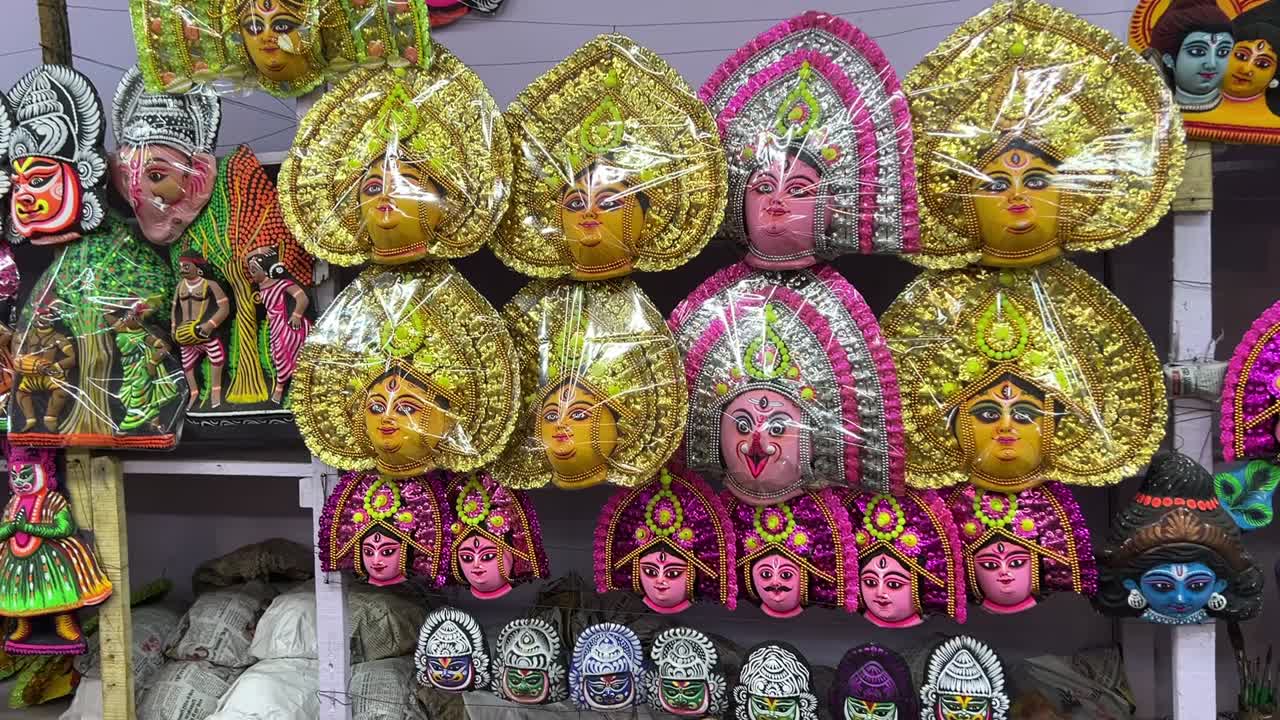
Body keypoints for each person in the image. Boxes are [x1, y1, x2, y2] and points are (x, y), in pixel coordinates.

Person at [245, 247, 310, 403]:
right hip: (275, 327)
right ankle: (288, 388)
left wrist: (296, 315)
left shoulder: (281, 284)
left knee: (286, 355)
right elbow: (245, 258)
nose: (251, 274)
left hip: (289, 326)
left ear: (265, 270)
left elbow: (302, 298)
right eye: (250, 270)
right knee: (277, 355)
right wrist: (258, 250)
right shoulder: (261, 287)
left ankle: (281, 389)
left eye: (254, 270)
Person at [171, 251, 230, 408]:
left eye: (186, 266)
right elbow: (175, 309)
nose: (182, 269)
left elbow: (224, 307)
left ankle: (216, 391)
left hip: (206, 332)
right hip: (184, 334)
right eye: (181, 266)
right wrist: (174, 328)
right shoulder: (180, 286)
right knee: (188, 365)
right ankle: (194, 392)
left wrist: (210, 325)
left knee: (216, 359)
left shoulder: (210, 285)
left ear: (197, 268)